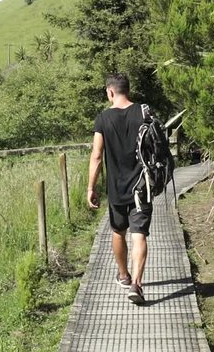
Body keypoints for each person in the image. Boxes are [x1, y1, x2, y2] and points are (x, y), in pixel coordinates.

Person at [87, 73, 153, 304]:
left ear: (110, 92)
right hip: (142, 186)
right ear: (128, 89)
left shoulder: (103, 119)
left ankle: (124, 275)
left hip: (116, 188)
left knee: (118, 232)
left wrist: (91, 188)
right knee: (139, 234)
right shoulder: (144, 113)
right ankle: (137, 283)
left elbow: (96, 156)